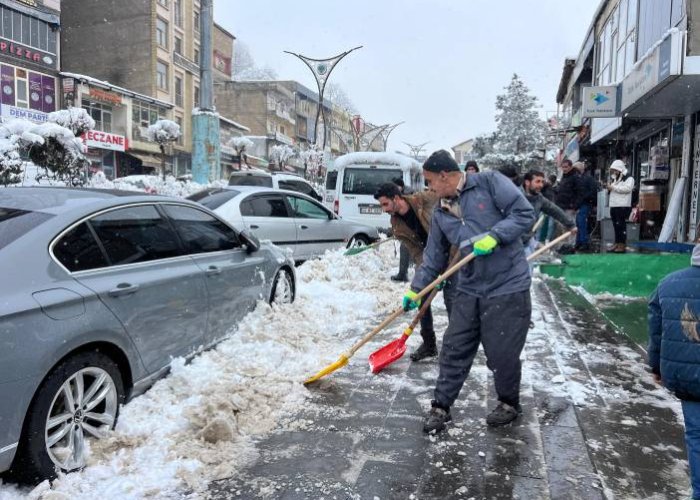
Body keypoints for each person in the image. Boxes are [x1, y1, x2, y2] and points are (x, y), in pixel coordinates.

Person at [402, 150, 535, 432]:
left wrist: (496, 236)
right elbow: (433, 257)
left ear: (444, 175)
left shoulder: (489, 183)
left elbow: (524, 213)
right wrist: (416, 290)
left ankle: (509, 403)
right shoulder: (440, 212)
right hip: (470, 285)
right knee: (454, 347)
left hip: (507, 284)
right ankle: (441, 406)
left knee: (501, 352)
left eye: (430, 182)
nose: (429, 188)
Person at [374, 182, 455, 361]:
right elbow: (416, 252)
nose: (384, 209)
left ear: (396, 198)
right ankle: (429, 344)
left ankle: (457, 345)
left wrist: (447, 266)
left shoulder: (425, 199)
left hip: (453, 254)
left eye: (385, 204)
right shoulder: (396, 224)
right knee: (420, 295)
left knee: (454, 302)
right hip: (428, 259)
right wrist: (425, 275)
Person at [648, 244, 700, 499]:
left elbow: (656, 331)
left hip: (689, 378)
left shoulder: (668, 284)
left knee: (697, 435)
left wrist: (656, 366)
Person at [521, 169, 576, 256]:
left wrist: (570, 225)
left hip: (527, 240)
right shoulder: (516, 196)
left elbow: (554, 210)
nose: (541, 185)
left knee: (527, 267)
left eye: (542, 182)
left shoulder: (539, 199)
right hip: (512, 242)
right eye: (537, 181)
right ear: (527, 182)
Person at [607, 159, 634, 253]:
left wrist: (613, 187)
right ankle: (617, 243)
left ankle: (622, 244)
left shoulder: (629, 178)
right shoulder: (616, 177)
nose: (614, 172)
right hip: (614, 205)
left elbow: (627, 189)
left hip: (622, 205)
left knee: (621, 225)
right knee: (616, 225)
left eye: (615, 170)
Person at [554, 159, 581, 252]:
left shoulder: (575, 177)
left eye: (566, 167)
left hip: (570, 206)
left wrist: (575, 206)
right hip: (562, 205)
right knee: (562, 226)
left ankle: (571, 245)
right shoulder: (564, 177)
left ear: (570, 167)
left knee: (570, 226)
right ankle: (565, 245)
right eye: (563, 167)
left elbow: (579, 192)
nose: (564, 169)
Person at [391, 178, 413, 282]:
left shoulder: (408, 195)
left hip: (414, 228)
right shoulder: (398, 196)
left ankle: (403, 274)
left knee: (406, 248)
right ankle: (404, 273)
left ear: (401, 186)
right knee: (406, 248)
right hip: (407, 228)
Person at [573, 161, 598, 252]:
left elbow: (591, 191)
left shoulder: (586, 179)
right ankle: (581, 242)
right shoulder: (587, 178)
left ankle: (583, 242)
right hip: (584, 203)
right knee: (580, 222)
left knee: (581, 222)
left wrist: (583, 198)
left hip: (585, 203)